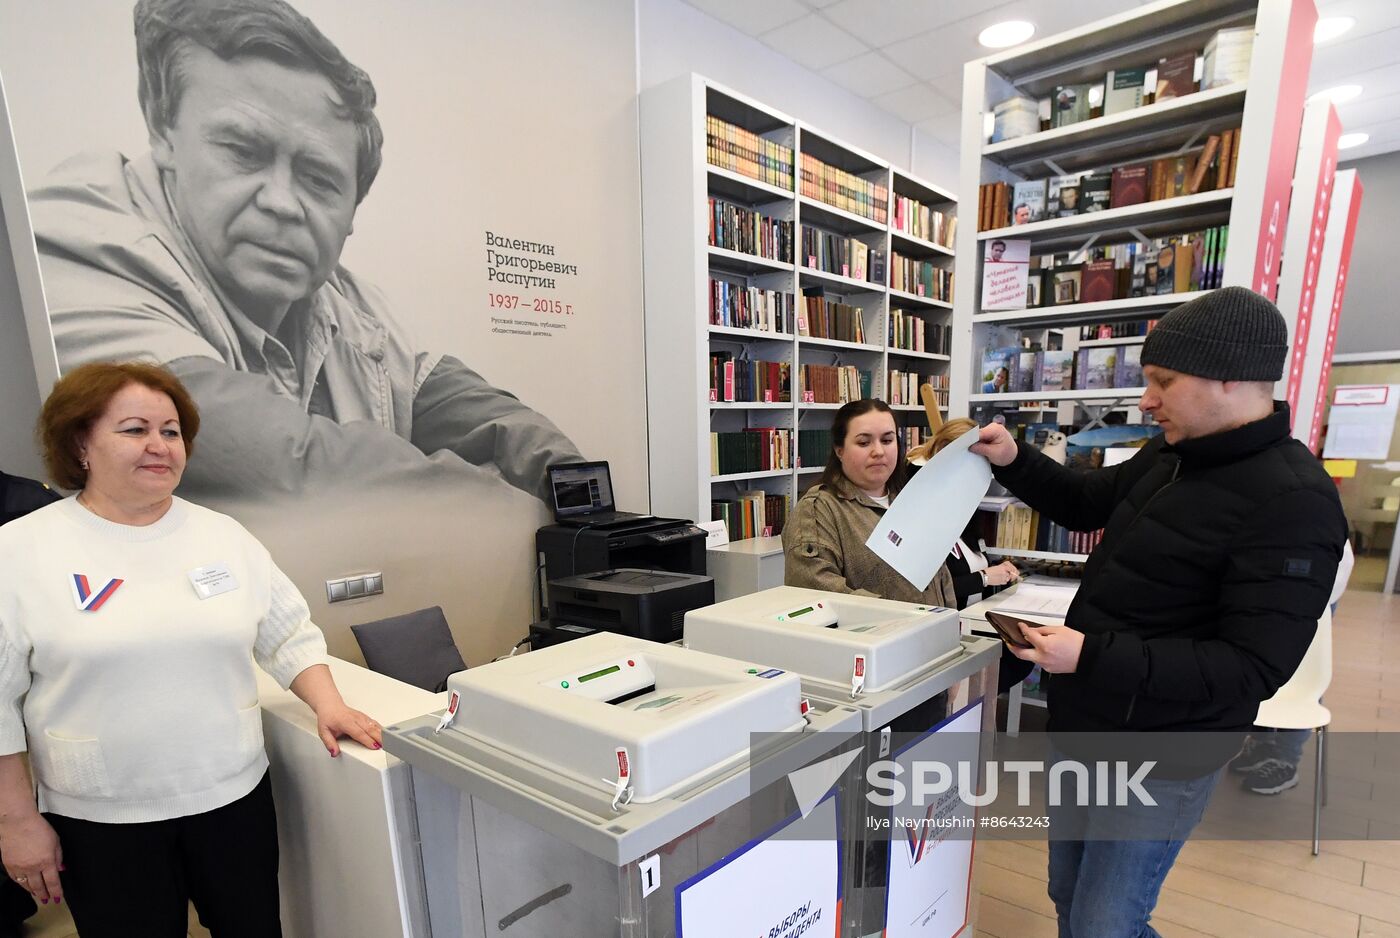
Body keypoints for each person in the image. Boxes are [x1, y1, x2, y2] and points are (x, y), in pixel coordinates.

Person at [28, 0, 582, 504]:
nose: (281, 202)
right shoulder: (76, 249)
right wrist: (520, 511)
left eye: (319, 179)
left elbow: (498, 424)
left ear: (353, 211)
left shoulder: (356, 309)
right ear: (163, 131)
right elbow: (282, 464)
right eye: (243, 151)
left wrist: (584, 499)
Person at [969, 286, 1347, 938]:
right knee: (1068, 895)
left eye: (1163, 381)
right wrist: (1013, 458)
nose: (1146, 401)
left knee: (1107, 923)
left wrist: (1091, 655)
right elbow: (1084, 503)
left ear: (1230, 377)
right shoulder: (1172, 452)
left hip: (1165, 752)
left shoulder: (1295, 500)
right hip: (1085, 723)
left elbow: (1251, 668)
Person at [0, 362, 382, 935]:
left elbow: (288, 633)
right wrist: (15, 822)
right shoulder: (20, 550)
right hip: (101, 816)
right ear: (80, 444)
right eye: (135, 430)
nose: (159, 446)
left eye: (171, 431)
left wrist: (329, 704)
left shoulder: (222, 535)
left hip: (233, 798)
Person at [783, 399, 955, 607]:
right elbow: (813, 591)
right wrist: (899, 614)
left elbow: (941, 578)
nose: (878, 451)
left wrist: (950, 621)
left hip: (933, 626)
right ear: (839, 450)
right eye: (864, 443)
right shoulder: (818, 509)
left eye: (887, 440)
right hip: (881, 627)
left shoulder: (911, 501)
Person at [910, 418, 1031, 696]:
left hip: (977, 625)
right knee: (1013, 660)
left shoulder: (964, 512)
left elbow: (977, 559)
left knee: (1022, 653)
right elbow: (930, 592)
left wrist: (1000, 570)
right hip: (947, 636)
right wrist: (985, 577)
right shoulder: (921, 520)